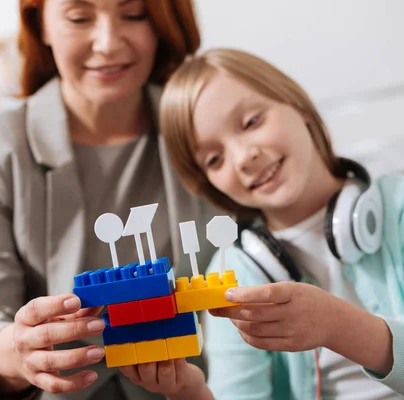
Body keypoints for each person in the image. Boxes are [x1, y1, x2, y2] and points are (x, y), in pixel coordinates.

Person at [0, 0, 218, 399]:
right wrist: (19, 354)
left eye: (134, 14)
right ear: (42, 26)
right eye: (79, 18)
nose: (107, 42)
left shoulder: (205, 125)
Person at [118, 48, 404, 399]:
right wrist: (188, 391)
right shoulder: (234, 273)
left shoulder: (399, 207)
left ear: (297, 104)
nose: (243, 157)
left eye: (252, 122)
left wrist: (338, 326)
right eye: (214, 158)